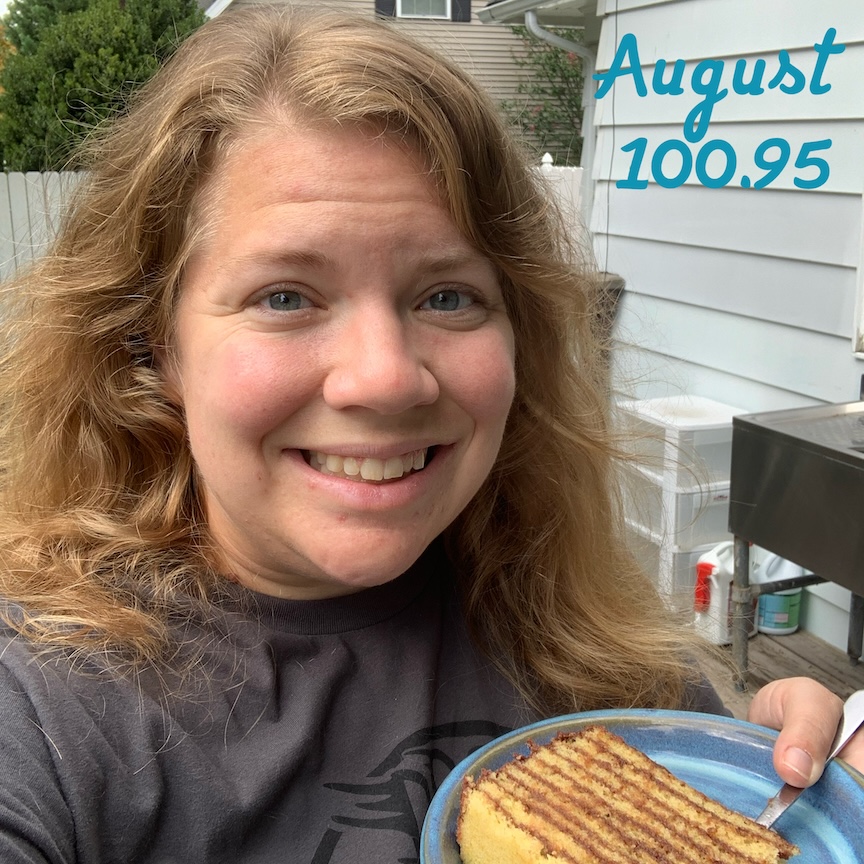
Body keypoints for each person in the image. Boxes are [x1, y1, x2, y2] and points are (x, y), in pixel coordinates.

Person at [0, 6, 857, 863]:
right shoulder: (42, 702)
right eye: (286, 296)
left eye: (447, 296)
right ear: (157, 347)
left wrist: (792, 796)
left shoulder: (584, 642)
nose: (385, 378)